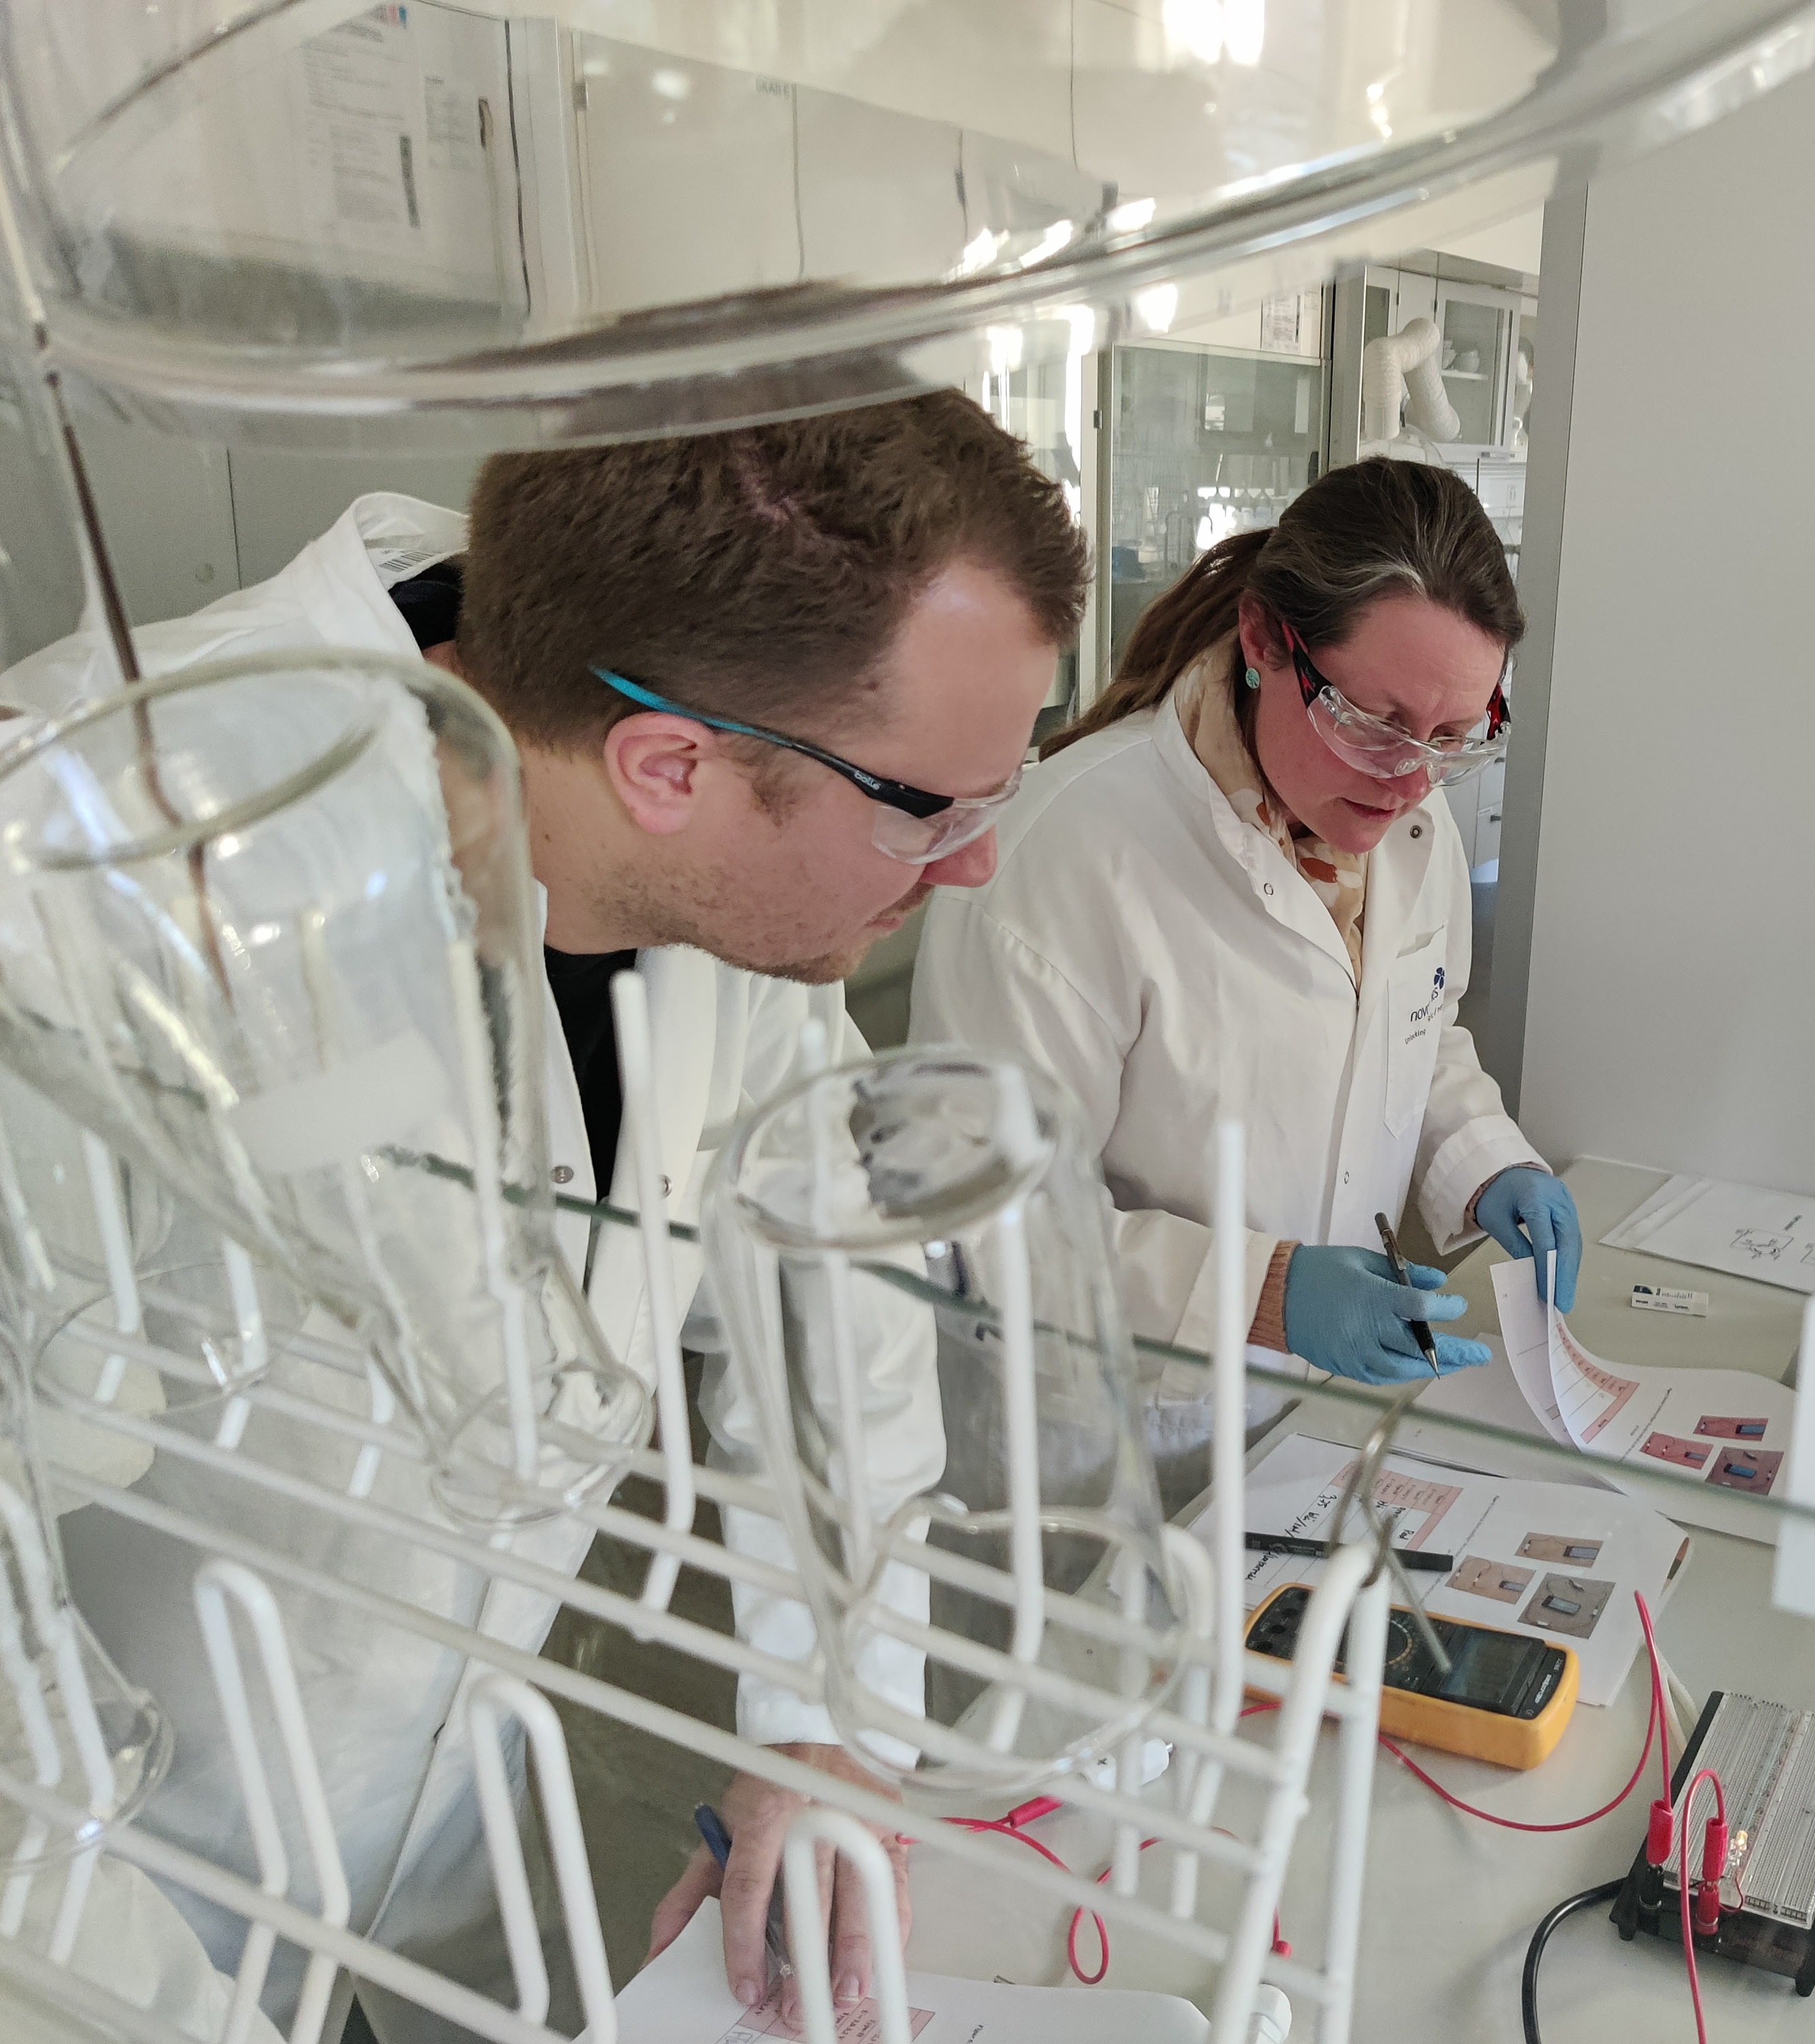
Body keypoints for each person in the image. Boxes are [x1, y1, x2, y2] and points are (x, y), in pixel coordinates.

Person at [3, 393, 1086, 2034]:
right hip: (105, 1909)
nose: (973, 870)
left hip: (434, 1843)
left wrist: (827, 1729)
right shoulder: (83, 863)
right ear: (671, 766)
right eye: (931, 811)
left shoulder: (691, 826)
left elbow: (827, 1322)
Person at [910, 458, 1580, 1448]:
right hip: (1116, 1432)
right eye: (1374, 722)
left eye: (1454, 736)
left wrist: (1486, 1164)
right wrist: (1263, 1293)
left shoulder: (1407, 830)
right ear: (1267, 639)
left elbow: (1411, 1029)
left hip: (1323, 1414)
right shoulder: (1066, 850)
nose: (1410, 781)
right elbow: (977, 1219)